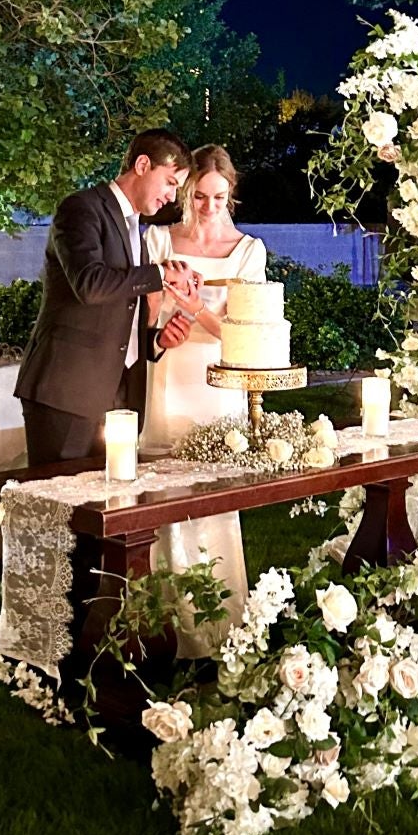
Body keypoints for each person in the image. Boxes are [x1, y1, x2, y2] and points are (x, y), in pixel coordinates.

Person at [141, 144, 268, 655]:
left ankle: (216, 628)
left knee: (211, 496)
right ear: (186, 192)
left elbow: (241, 332)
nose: (209, 204)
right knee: (158, 492)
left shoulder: (247, 251)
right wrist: (163, 322)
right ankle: (160, 624)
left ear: (230, 194)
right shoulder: (156, 240)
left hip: (215, 381)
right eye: (199, 195)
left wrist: (193, 305)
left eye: (219, 196)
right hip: (166, 368)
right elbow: (143, 314)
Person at [15, 130, 201, 466]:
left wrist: (156, 340)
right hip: (68, 394)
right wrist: (158, 275)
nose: (172, 197)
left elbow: (121, 316)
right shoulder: (80, 209)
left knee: (114, 511)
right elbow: (90, 285)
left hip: (121, 398)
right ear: (143, 165)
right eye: (170, 182)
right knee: (58, 511)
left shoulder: (137, 233)